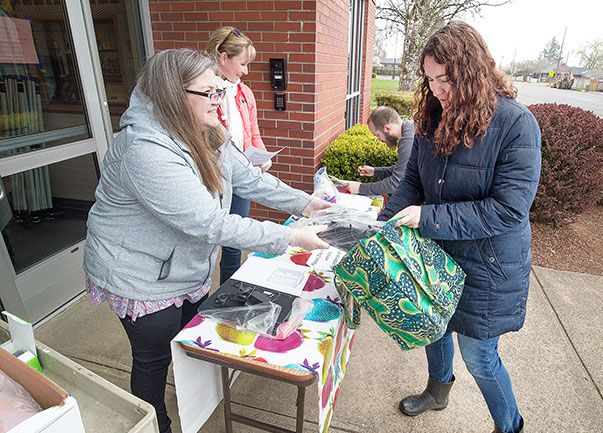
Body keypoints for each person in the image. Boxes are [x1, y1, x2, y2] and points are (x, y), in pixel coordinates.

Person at [83, 49, 330, 433]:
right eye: (210, 93)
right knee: (152, 359)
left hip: (183, 265)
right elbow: (208, 222)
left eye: (220, 90)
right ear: (173, 94)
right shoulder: (145, 150)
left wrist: (307, 203)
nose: (220, 101)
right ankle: (154, 424)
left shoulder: (206, 128)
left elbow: (251, 178)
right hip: (139, 276)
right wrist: (293, 236)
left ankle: (190, 406)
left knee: (189, 343)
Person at [378, 22, 541, 433]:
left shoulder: (515, 123)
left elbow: (509, 208)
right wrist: (384, 224)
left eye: (446, 79)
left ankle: (510, 426)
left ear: (473, 70)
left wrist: (426, 218)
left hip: (487, 265)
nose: (437, 90)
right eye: (430, 80)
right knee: (433, 326)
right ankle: (437, 391)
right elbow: (413, 179)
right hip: (437, 253)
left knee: (480, 356)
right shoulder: (433, 117)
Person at [205, 27, 272, 285]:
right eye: (242, 63)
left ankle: (227, 297)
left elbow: (253, 132)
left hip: (241, 175)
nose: (245, 71)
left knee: (235, 243)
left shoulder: (245, 93)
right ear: (223, 58)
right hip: (212, 179)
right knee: (207, 243)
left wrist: (262, 156)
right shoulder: (203, 94)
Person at [342, 105, 414, 196]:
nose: (378, 139)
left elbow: (396, 183)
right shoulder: (408, 130)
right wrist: (375, 171)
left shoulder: (408, 140)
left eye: (377, 135)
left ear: (387, 128)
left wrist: (360, 188)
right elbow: (403, 169)